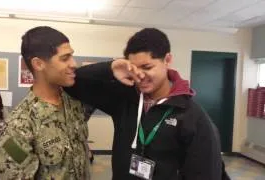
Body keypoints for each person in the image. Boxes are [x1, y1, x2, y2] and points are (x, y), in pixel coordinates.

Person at [65, 28, 223, 179]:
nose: (139, 75)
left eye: (147, 67)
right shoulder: (124, 97)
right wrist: (111, 67)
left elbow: (206, 174)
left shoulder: (192, 116)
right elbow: (73, 84)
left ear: (167, 60)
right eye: (133, 68)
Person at [0, 26, 89, 180]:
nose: (74, 64)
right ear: (38, 64)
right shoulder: (17, 126)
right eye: (65, 58)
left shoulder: (75, 104)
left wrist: (112, 66)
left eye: (72, 56)